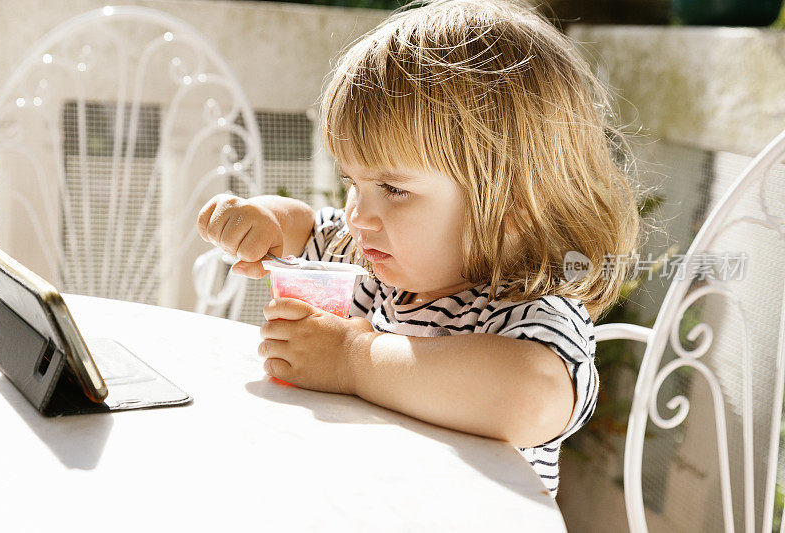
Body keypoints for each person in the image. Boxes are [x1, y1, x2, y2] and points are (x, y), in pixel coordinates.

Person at [196, 0, 641, 499]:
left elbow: (531, 398)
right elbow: (299, 228)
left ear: (514, 202)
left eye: (394, 189)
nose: (357, 215)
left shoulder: (528, 316)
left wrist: (352, 357)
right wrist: (263, 220)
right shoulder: (372, 259)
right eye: (352, 182)